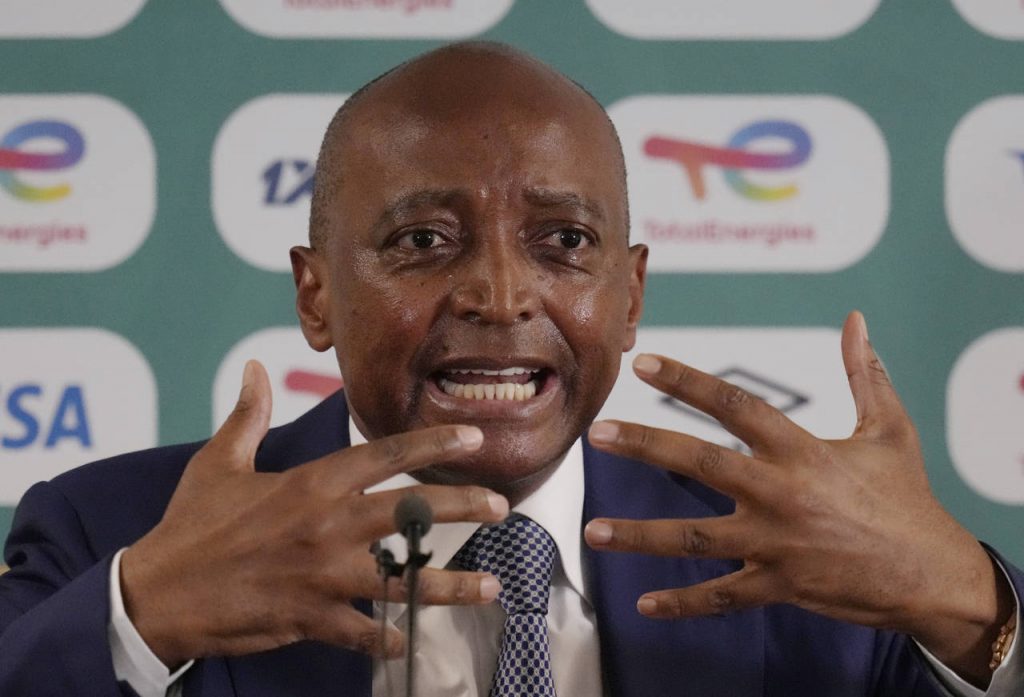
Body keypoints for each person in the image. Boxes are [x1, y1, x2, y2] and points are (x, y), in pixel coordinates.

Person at [0, 42, 1020, 697]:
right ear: (316, 295)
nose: (498, 294)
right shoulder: (109, 533)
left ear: (630, 295)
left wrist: (969, 601)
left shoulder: (795, 560)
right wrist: (135, 618)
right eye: (423, 240)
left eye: (564, 241)